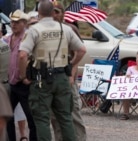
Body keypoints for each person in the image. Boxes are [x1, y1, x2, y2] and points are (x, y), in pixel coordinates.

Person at [18, 0, 86, 140]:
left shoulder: (34, 30)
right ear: (52, 12)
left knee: (42, 119)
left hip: (41, 78)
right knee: (66, 118)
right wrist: (71, 64)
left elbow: (23, 55)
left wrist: (23, 75)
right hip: (61, 77)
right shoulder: (65, 29)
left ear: (39, 12)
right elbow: (81, 50)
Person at [51, 2, 87, 141]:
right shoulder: (47, 30)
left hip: (67, 77)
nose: (54, 15)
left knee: (74, 114)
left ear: (62, 14)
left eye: (57, 12)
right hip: (52, 80)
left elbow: (78, 53)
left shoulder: (70, 29)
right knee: (55, 116)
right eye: (52, 12)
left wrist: (71, 74)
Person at [5, 9, 37, 141]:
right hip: (11, 83)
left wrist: (25, 77)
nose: (13, 24)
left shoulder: (27, 38)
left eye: (17, 22)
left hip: (24, 84)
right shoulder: (7, 39)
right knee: (7, 116)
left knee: (31, 118)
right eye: (12, 22)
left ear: (24, 23)